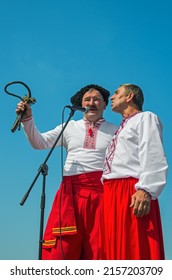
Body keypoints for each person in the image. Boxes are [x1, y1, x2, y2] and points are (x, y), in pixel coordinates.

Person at [16, 84, 118, 260]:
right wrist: (27, 119)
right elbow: (39, 143)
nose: (92, 102)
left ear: (104, 105)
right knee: (63, 248)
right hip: (70, 193)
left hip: (102, 194)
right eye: (87, 99)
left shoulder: (116, 131)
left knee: (99, 249)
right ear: (81, 103)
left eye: (97, 99)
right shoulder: (69, 126)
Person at [101, 83, 168, 260]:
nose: (112, 97)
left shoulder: (146, 118)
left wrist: (146, 189)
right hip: (111, 192)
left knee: (135, 246)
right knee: (113, 250)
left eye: (117, 93)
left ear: (129, 96)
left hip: (130, 190)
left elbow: (152, 151)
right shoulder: (120, 129)